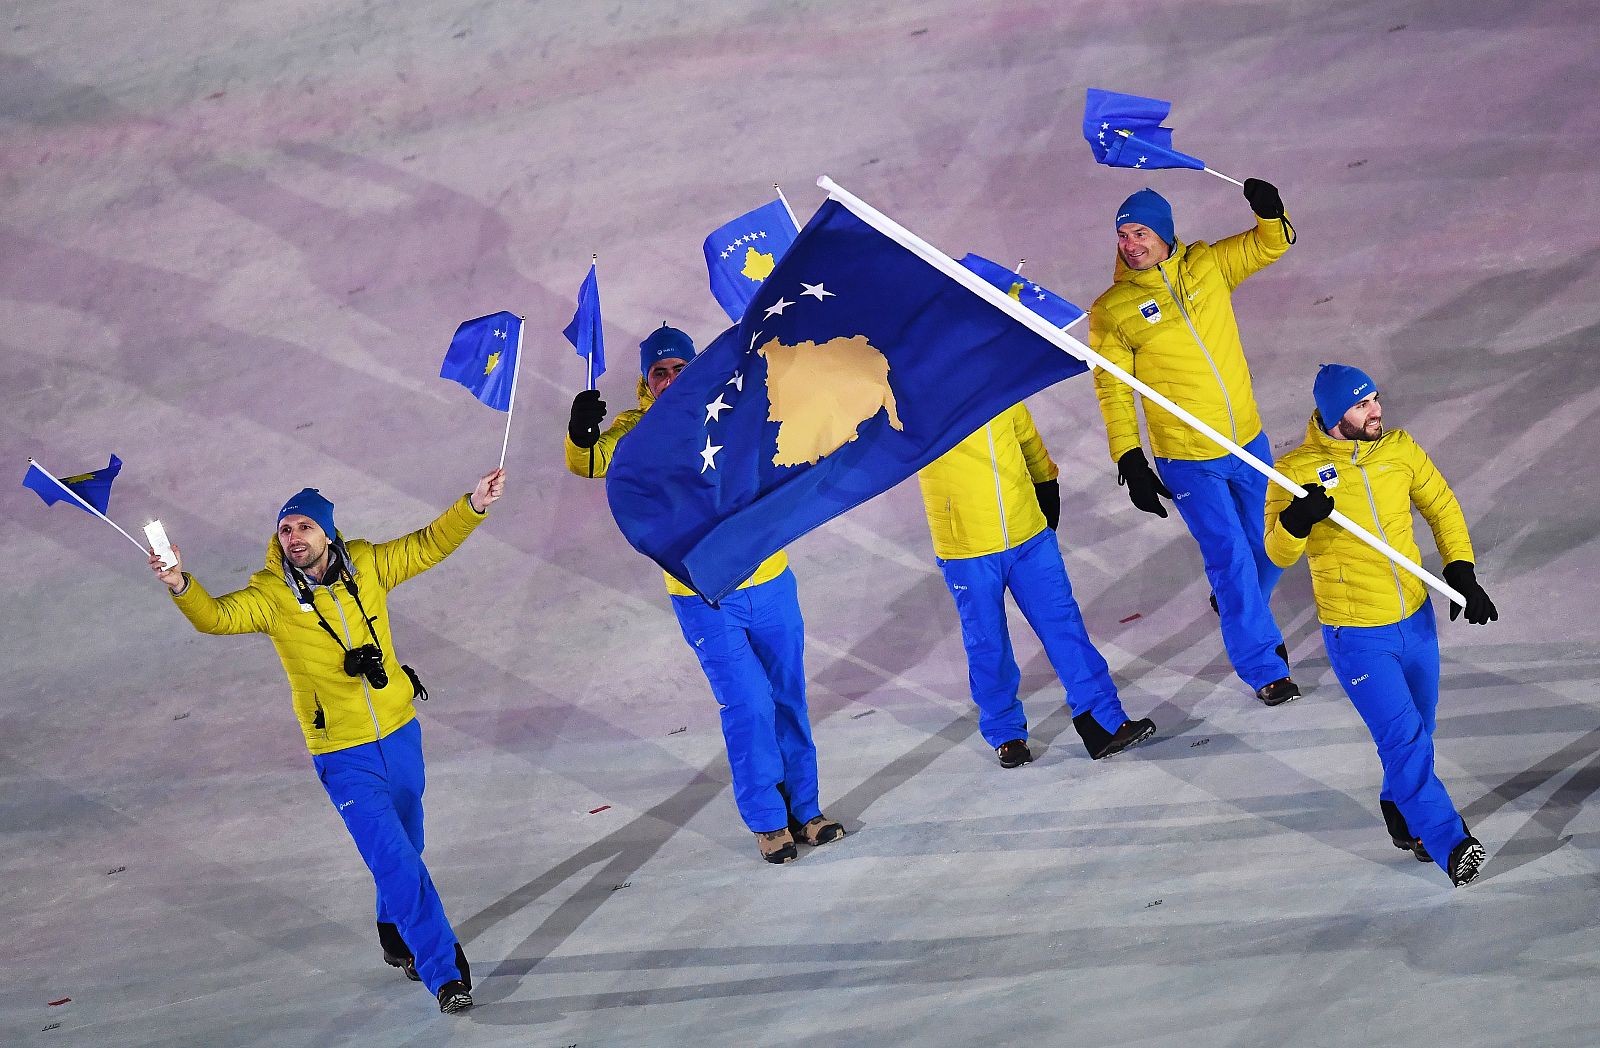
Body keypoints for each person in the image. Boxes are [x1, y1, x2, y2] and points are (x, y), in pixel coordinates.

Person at [149, 471, 504, 1012]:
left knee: (408, 846)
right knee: (395, 862)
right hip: (342, 754)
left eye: (305, 526)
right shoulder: (271, 595)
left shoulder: (368, 564)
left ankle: (394, 930)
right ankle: (444, 972)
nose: (294, 537)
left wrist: (473, 505)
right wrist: (180, 583)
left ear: (329, 534)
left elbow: (429, 544)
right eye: (285, 528)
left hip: (400, 732)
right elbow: (217, 617)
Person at [566, 325, 841, 865]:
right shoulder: (637, 431)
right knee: (748, 704)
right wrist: (580, 432)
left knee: (787, 696)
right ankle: (767, 822)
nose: (670, 380)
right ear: (646, 382)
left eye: (679, 369)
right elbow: (591, 462)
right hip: (703, 596)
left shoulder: (730, 403)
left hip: (770, 581)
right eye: (659, 373)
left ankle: (805, 811)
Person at [1265, 364, 1496, 886]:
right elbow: (1276, 552)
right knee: (1404, 740)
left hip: (1415, 618)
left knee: (1422, 727)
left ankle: (1401, 809)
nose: (1376, 411)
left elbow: (1441, 505)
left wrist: (1460, 567)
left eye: (1375, 399)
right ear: (1331, 414)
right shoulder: (1293, 472)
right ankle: (1448, 840)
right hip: (1357, 634)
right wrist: (1297, 521)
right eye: (1362, 404)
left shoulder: (1399, 450)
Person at [1088, 180, 1300, 706]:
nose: (1130, 243)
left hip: (1248, 441)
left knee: (1271, 545)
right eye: (1122, 235)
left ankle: (1234, 603)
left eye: (1140, 231)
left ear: (1164, 233)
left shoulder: (1208, 265)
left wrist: (1270, 214)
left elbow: (1270, 244)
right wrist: (1129, 456)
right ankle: (1263, 664)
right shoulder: (1113, 309)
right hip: (1186, 457)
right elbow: (1113, 390)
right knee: (1230, 558)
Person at [916, 403, 1156, 767]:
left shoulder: (998, 382)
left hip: (1028, 534)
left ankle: (1102, 719)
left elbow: (1026, 437)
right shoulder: (918, 401)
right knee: (987, 643)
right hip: (967, 549)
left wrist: (1046, 481)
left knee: (1065, 626)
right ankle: (1006, 731)